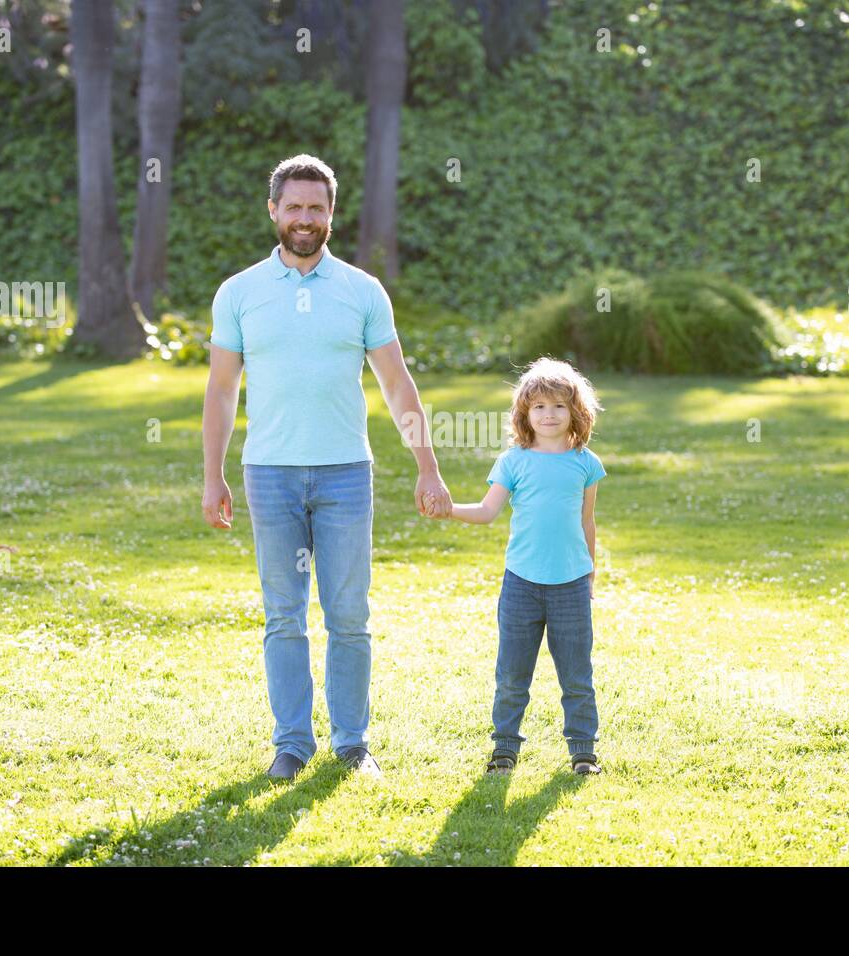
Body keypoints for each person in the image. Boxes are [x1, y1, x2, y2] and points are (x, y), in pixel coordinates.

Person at [201, 154, 452, 782]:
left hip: (345, 475)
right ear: (274, 211)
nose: (305, 218)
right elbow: (222, 389)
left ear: (332, 215)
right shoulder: (239, 293)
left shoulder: (362, 291)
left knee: (349, 617)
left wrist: (427, 466)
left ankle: (353, 744)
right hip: (270, 475)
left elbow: (396, 383)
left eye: (316, 208)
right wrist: (213, 474)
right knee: (283, 616)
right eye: (294, 206)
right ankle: (291, 744)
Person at [425, 357, 606, 776]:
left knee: (577, 676)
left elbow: (587, 521)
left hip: (570, 586)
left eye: (558, 406)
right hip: (521, 585)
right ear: (525, 412)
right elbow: (487, 512)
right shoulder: (513, 461)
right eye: (539, 406)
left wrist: (590, 573)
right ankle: (504, 749)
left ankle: (583, 753)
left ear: (576, 412)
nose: (548, 414)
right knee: (511, 676)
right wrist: (449, 510)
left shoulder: (585, 463)